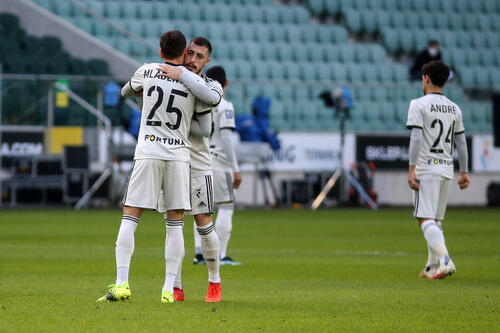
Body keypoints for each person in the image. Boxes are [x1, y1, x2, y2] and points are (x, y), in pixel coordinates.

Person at [97, 30, 207, 304]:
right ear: (184, 54)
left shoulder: (146, 70)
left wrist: (143, 93)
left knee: (130, 217)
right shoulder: (194, 83)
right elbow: (206, 121)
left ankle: (122, 283)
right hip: (179, 156)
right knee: (175, 223)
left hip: (148, 151)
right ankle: (169, 289)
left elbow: (124, 91)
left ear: (160, 53)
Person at [157, 37, 224, 302]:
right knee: (173, 225)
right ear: (184, 53)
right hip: (172, 161)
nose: (193, 60)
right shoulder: (168, 80)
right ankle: (176, 286)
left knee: (203, 224)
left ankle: (214, 282)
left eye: (200, 57)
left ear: (208, 62)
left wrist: (182, 73)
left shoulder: (209, 84)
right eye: (190, 54)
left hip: (198, 165)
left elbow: (206, 126)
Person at [406, 60, 470, 280]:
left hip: (427, 167)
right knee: (435, 219)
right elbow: (461, 143)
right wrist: (464, 171)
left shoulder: (418, 104)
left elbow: (415, 137)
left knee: (424, 218)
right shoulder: (455, 108)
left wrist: (412, 168)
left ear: (426, 78)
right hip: (446, 169)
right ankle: (432, 265)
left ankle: (445, 260)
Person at [205, 65, 242, 266]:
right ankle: (221, 255)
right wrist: (235, 168)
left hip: (201, 160)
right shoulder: (225, 105)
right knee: (226, 207)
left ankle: (199, 254)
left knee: (202, 209)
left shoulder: (200, 102)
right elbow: (227, 138)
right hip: (219, 161)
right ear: (225, 83)